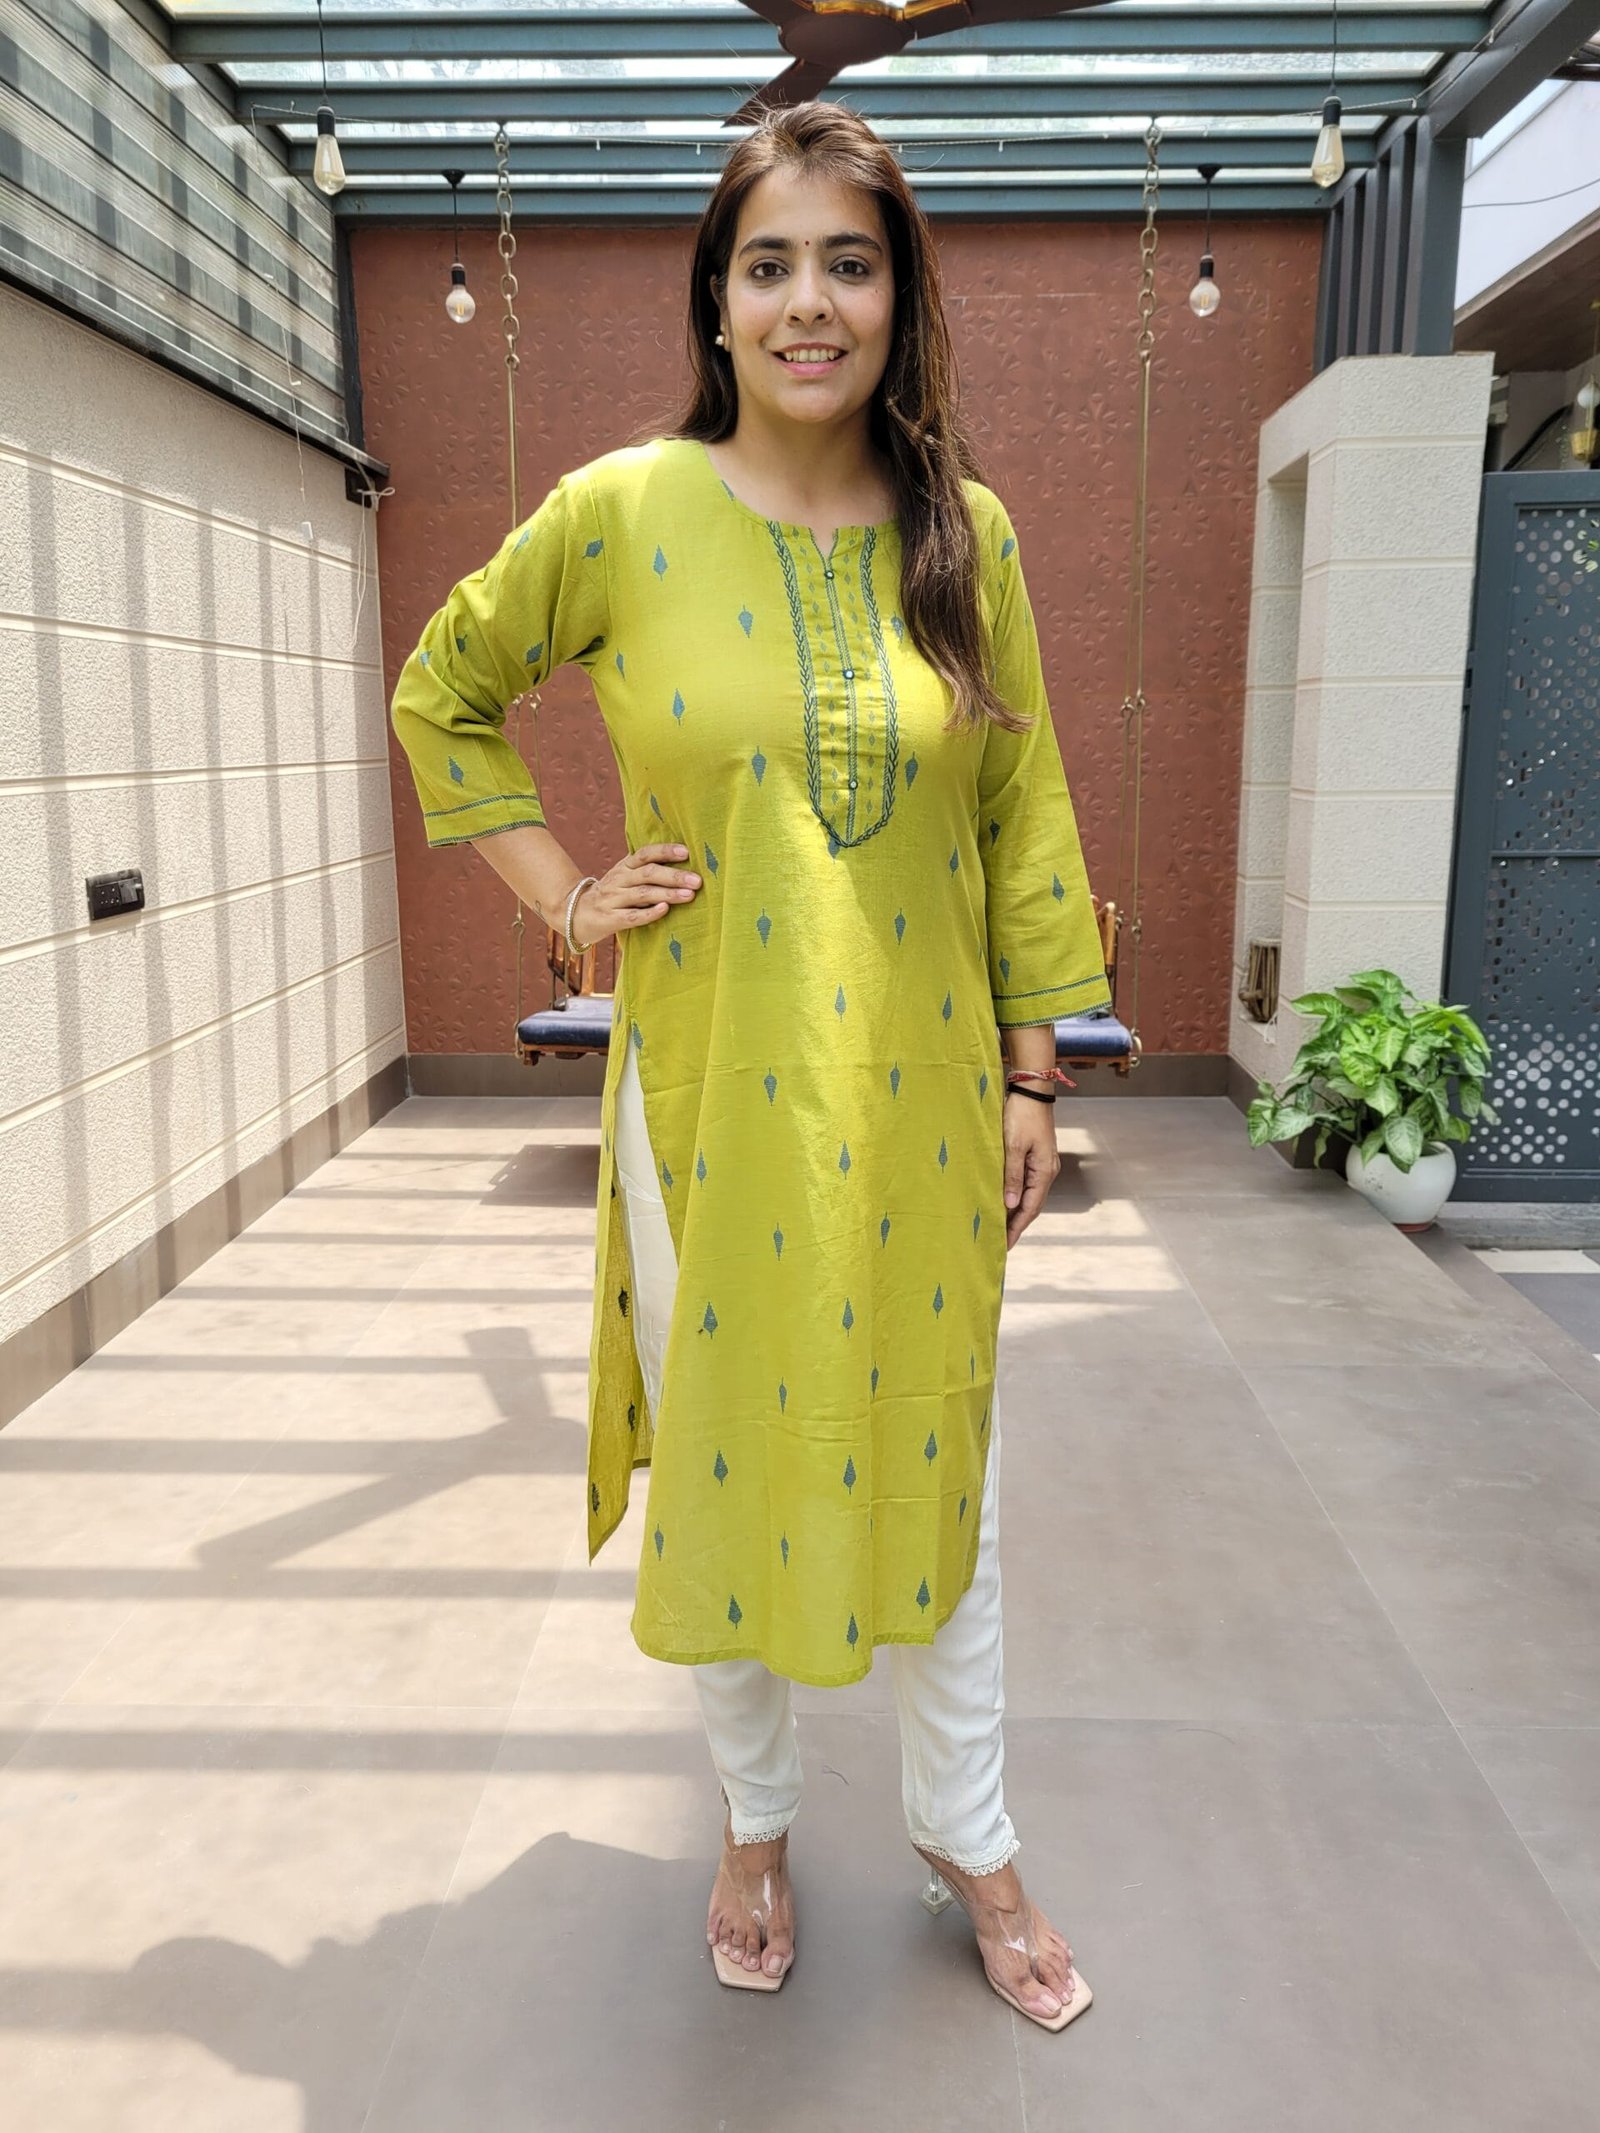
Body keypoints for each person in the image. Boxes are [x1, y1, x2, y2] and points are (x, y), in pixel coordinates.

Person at [390, 101, 1107, 2032]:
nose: (810, 303)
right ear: (716, 297)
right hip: (707, 1087)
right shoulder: (623, 510)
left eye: (849, 264)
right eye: (770, 262)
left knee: (944, 1464)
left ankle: (971, 1832)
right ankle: (757, 1819)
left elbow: (1025, 810)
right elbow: (444, 691)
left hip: (926, 1101)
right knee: (731, 1452)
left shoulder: (969, 533)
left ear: (899, 297)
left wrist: (1036, 1074)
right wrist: (565, 896)